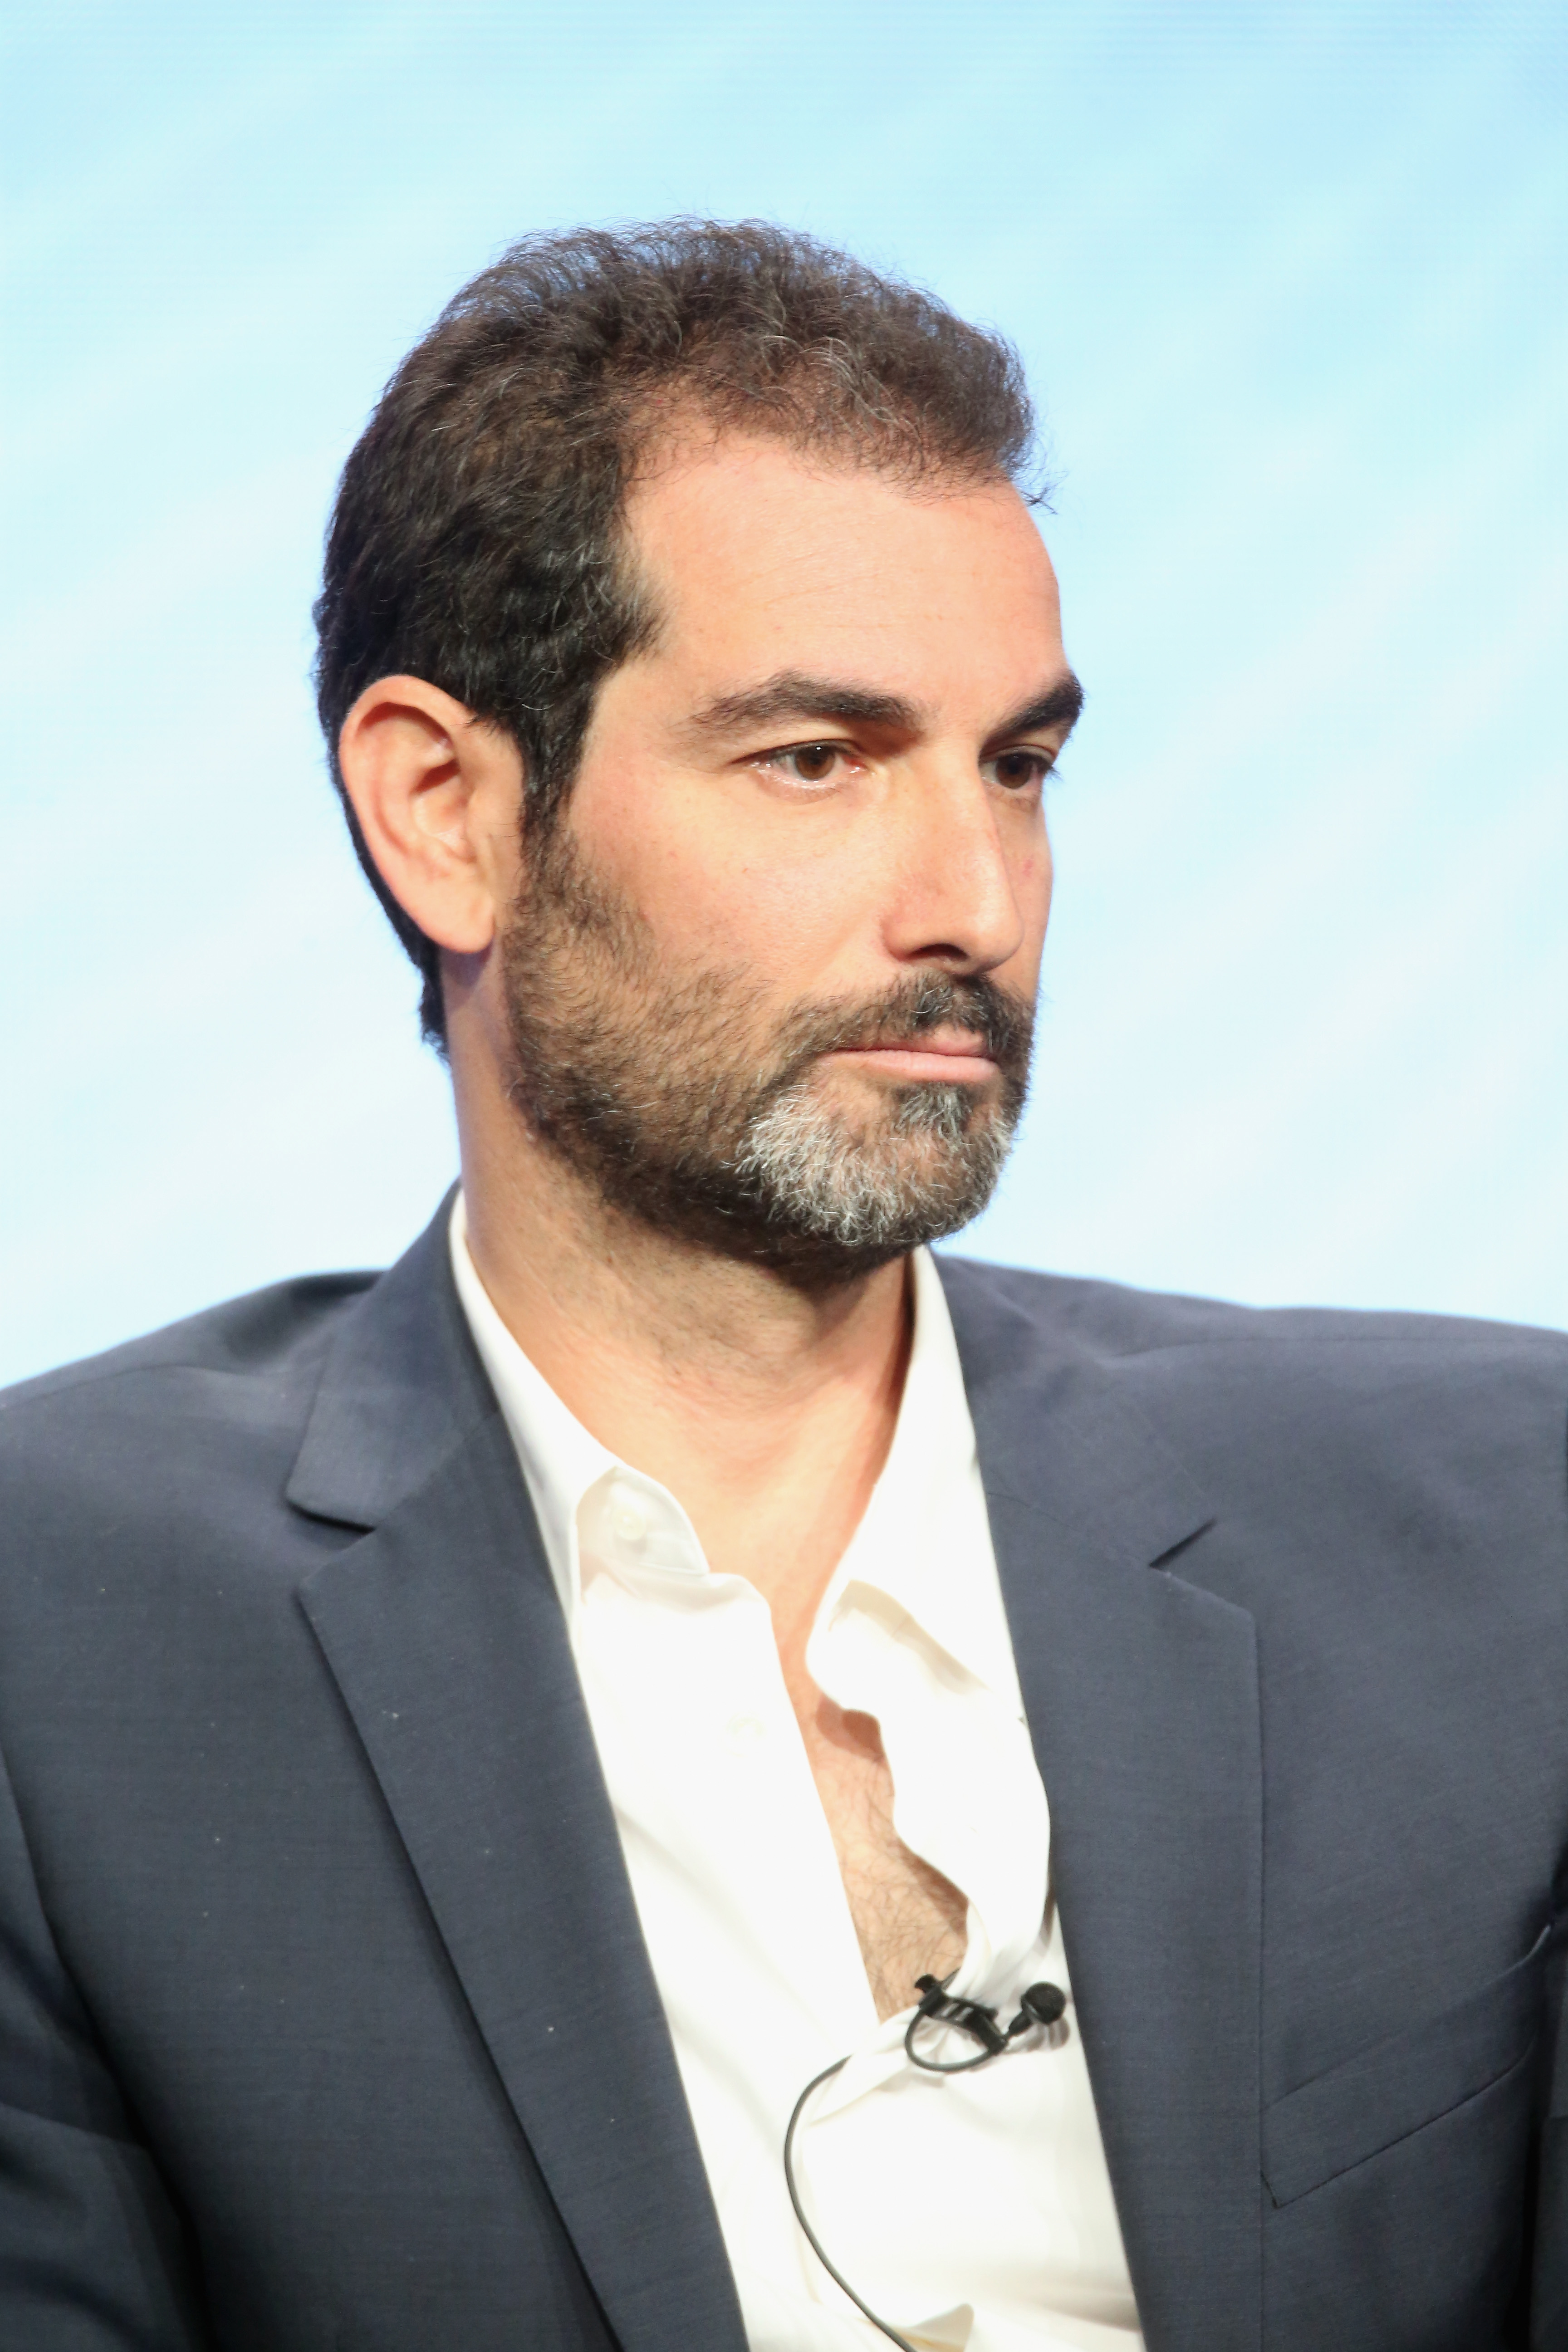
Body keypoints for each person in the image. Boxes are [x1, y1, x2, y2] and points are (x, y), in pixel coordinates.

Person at [0, 220, 1564, 2352]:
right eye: (816, 758)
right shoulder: (59, 1642)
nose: (977, 903)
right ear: (444, 810)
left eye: (1016, 767)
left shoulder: (1501, 1527)